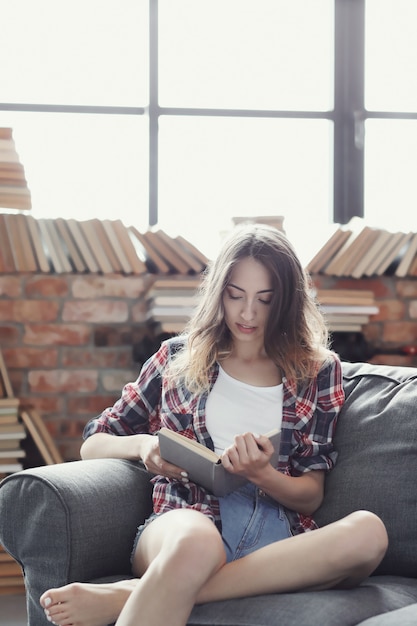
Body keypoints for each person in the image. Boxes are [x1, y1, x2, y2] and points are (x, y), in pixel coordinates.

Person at [40, 223, 388, 626]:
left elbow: (310, 497)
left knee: (369, 533)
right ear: (219, 291)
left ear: (288, 302)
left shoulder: (318, 371)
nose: (247, 313)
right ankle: (174, 578)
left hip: (275, 534)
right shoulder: (175, 358)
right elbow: (93, 442)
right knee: (196, 543)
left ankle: (127, 596)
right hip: (185, 519)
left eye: (265, 299)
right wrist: (144, 446)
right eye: (235, 295)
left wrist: (262, 474)